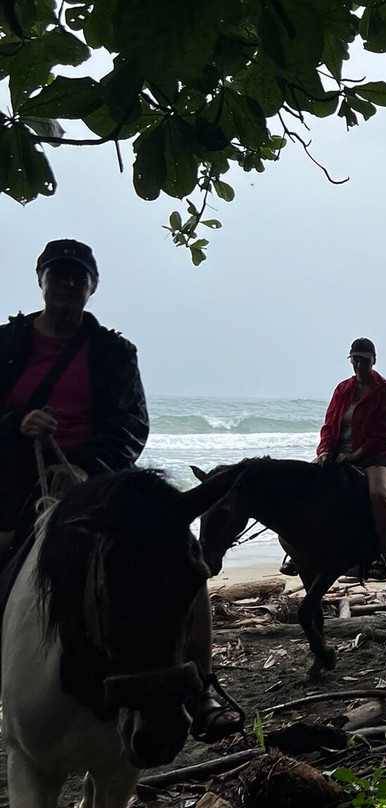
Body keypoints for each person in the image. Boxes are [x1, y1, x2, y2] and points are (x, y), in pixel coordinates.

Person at [0, 238, 241, 743]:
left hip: (95, 481)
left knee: (180, 553)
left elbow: (132, 425)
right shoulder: (6, 343)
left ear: (93, 286)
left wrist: (86, 468)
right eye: (58, 274)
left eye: (78, 276)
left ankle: (201, 685)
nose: (68, 284)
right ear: (41, 280)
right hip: (13, 479)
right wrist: (17, 422)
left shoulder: (114, 352)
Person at [315, 337, 386, 579]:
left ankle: (383, 554)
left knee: (379, 495)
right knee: (305, 486)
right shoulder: (342, 389)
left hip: (378, 455)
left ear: (374, 361)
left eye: (364, 360)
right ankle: (302, 548)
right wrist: (324, 451)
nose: (359, 365)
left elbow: (384, 432)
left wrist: (356, 455)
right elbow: (329, 425)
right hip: (340, 453)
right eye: (355, 360)